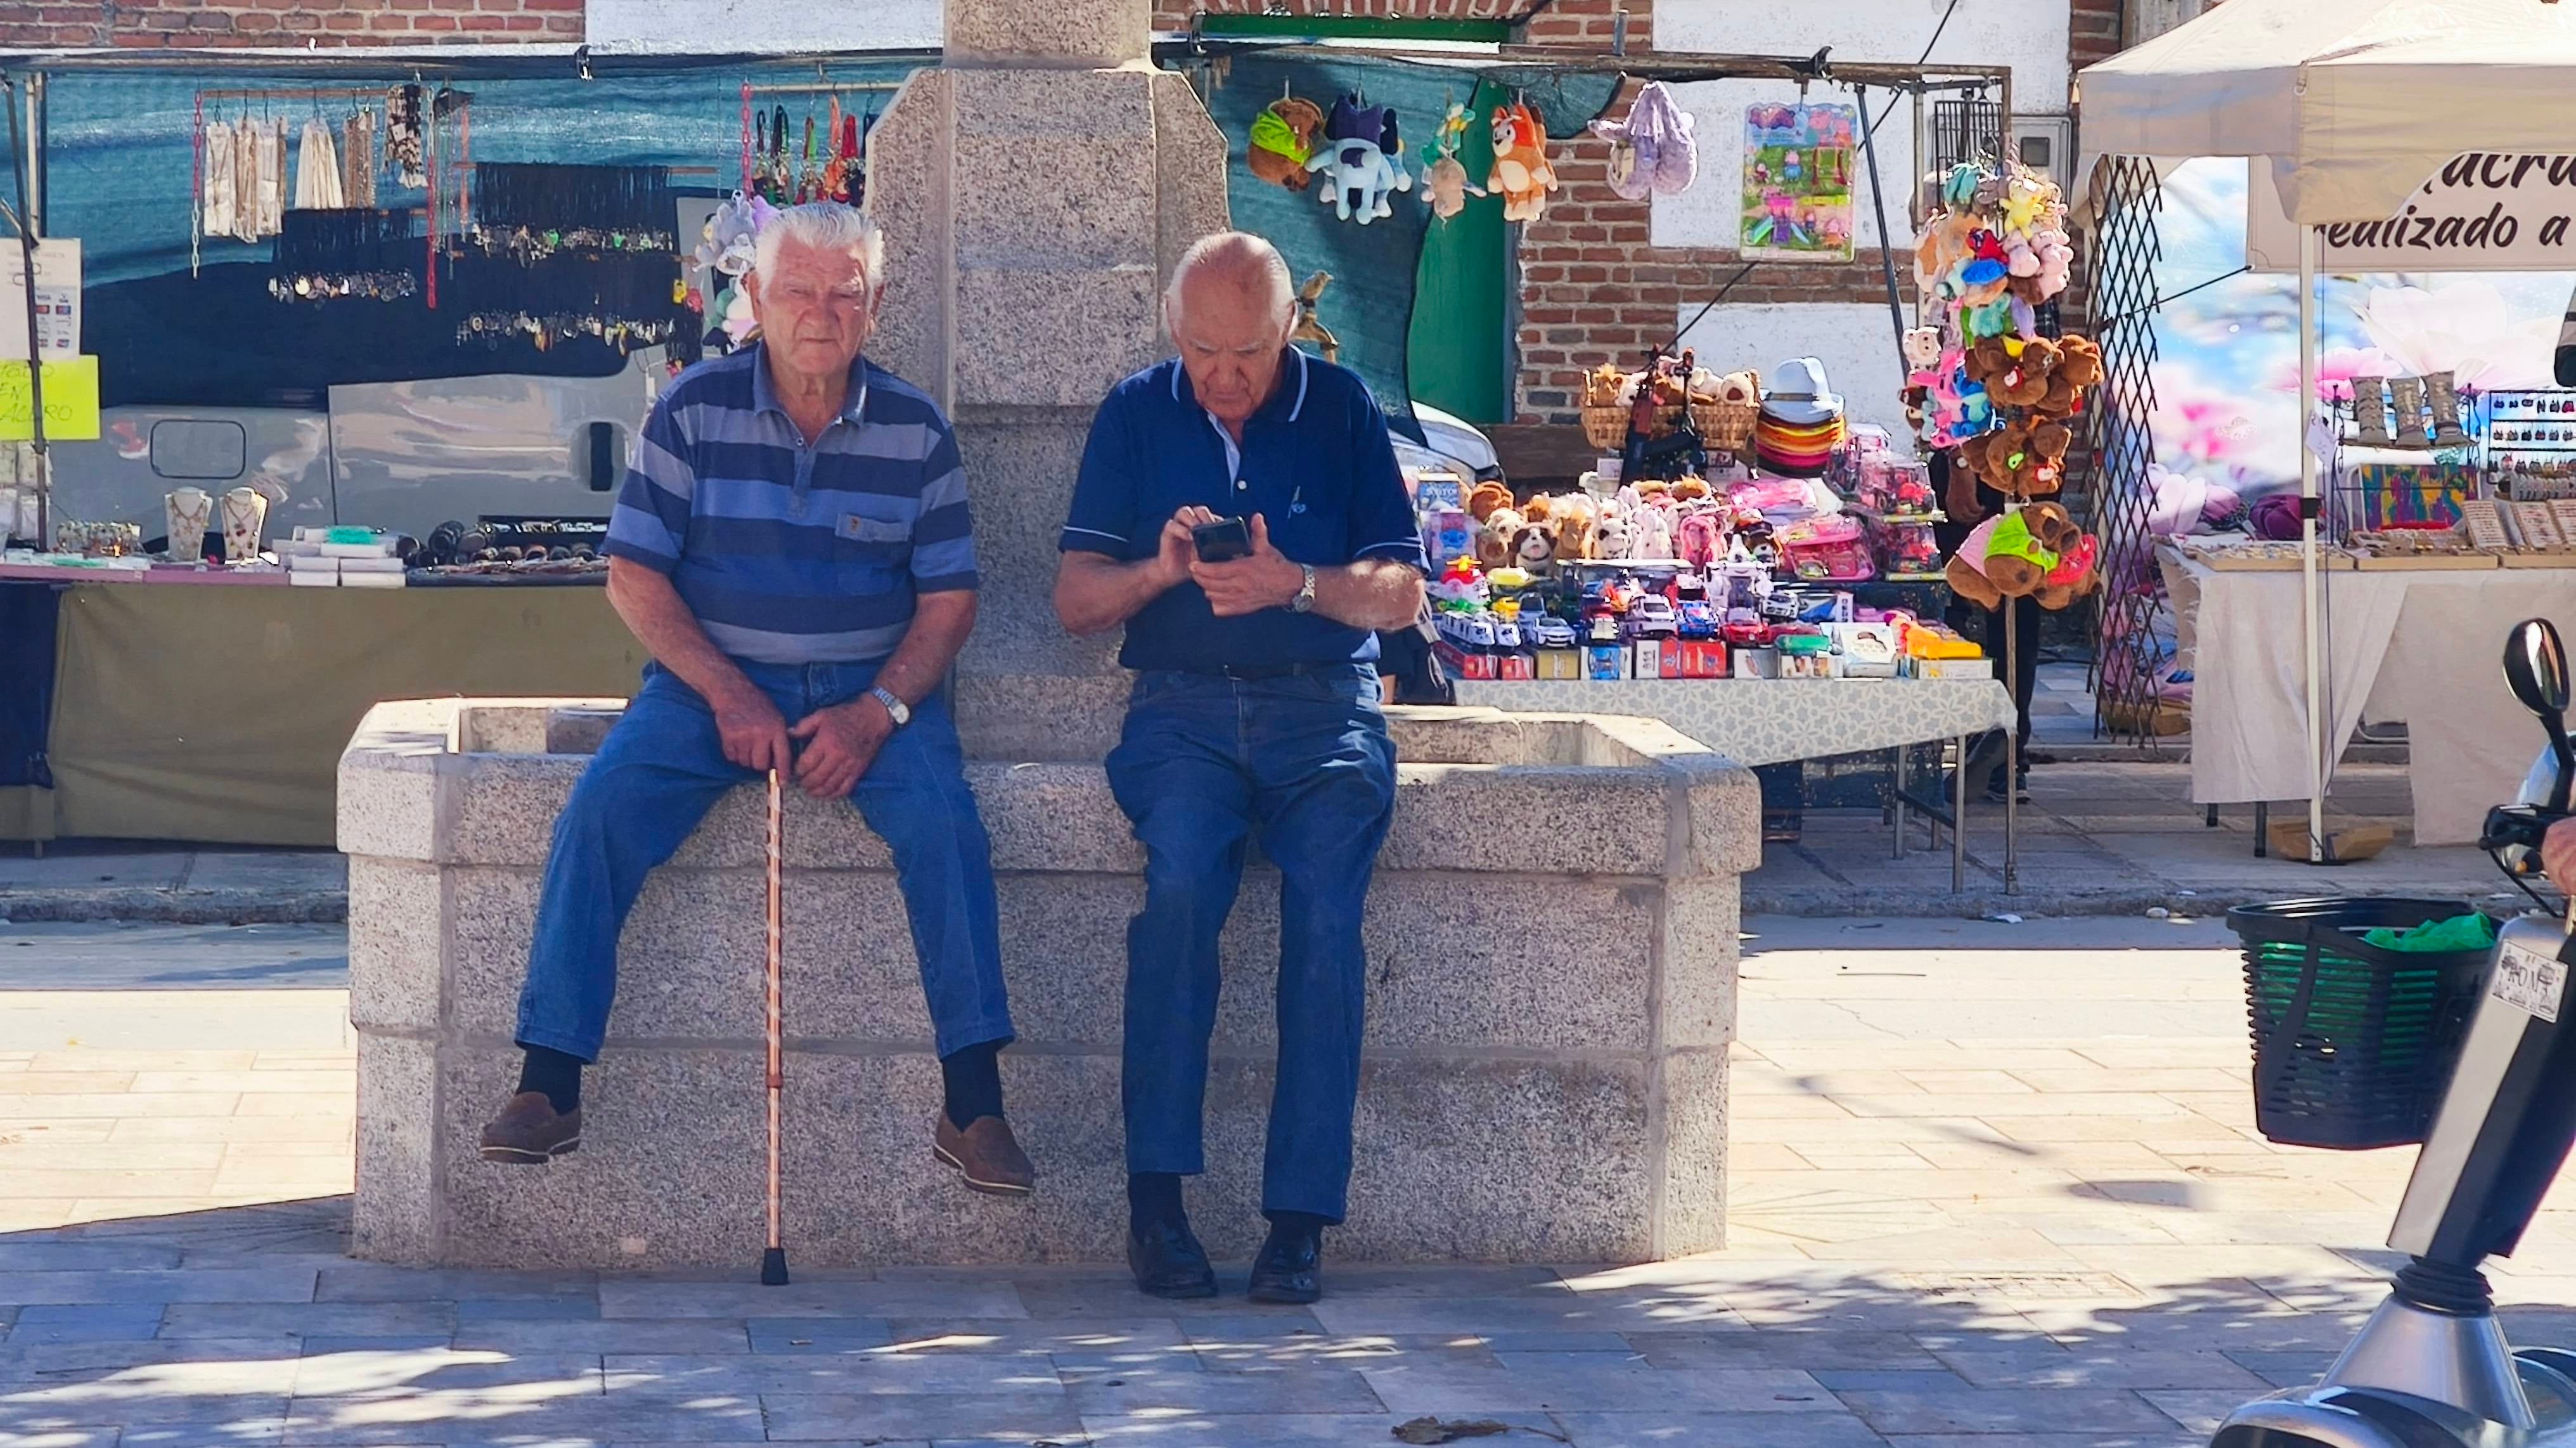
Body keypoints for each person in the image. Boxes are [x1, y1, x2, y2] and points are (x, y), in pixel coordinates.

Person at [477, 201, 1033, 1198]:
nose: (820, 313)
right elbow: (635, 579)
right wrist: (731, 697)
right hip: (706, 690)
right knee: (601, 811)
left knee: (948, 827)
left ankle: (975, 1102)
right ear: (756, 298)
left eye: (843, 294)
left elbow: (950, 605)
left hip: (875, 696)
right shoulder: (691, 409)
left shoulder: (917, 430)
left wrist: (877, 715)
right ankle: (548, 1082)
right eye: (798, 291)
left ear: (875, 305)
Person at [1053, 231, 1429, 1305]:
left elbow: (1401, 593)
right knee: (1178, 892)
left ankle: (1299, 1222)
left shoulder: (1345, 406)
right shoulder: (1136, 410)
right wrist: (1160, 569)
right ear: (1175, 334)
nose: (1225, 379)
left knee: (1325, 918)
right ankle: (1157, 1208)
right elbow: (1076, 603)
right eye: (1205, 354)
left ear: (1287, 333)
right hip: (1181, 713)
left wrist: (1296, 585)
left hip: (1324, 715)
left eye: (1249, 356)